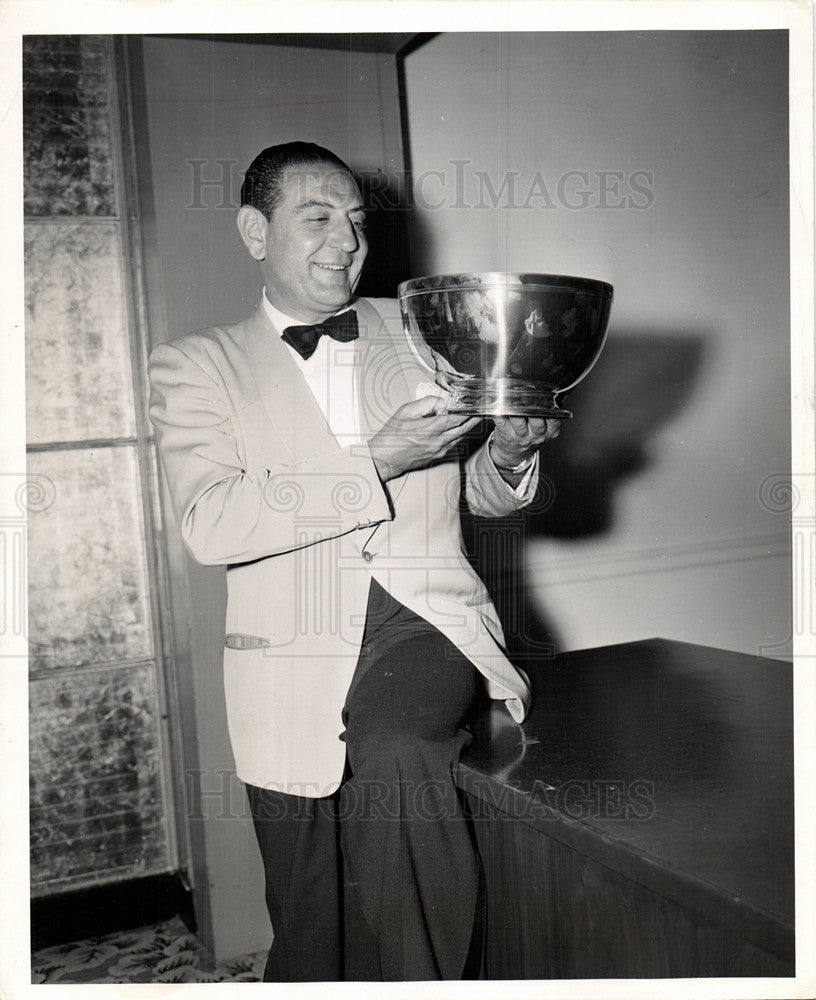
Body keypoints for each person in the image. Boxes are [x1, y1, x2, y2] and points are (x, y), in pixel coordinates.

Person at [148, 141, 559, 982]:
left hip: (421, 619)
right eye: (319, 218)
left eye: (358, 222)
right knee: (309, 913)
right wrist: (375, 460)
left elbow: (473, 489)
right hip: (286, 653)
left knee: (399, 752)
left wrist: (512, 452)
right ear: (254, 232)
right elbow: (210, 523)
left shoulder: (420, 332)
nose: (347, 240)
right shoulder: (194, 365)